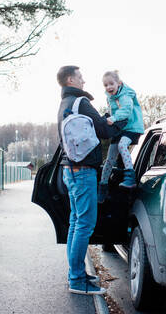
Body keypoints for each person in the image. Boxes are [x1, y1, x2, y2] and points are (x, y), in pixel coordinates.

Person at [57, 66, 121, 295]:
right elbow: (104, 130)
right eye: (81, 77)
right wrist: (120, 121)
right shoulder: (80, 103)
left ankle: (77, 275)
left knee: (76, 224)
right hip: (83, 172)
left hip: (70, 170)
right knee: (84, 225)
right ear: (71, 79)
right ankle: (77, 281)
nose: (84, 81)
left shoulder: (64, 105)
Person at [98, 71, 144, 203]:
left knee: (122, 145)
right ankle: (103, 185)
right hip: (120, 128)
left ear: (119, 83)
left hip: (132, 127)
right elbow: (114, 112)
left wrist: (114, 118)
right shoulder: (110, 97)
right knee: (109, 159)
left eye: (111, 84)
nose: (108, 87)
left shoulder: (125, 95)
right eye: (105, 85)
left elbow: (126, 110)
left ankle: (130, 177)